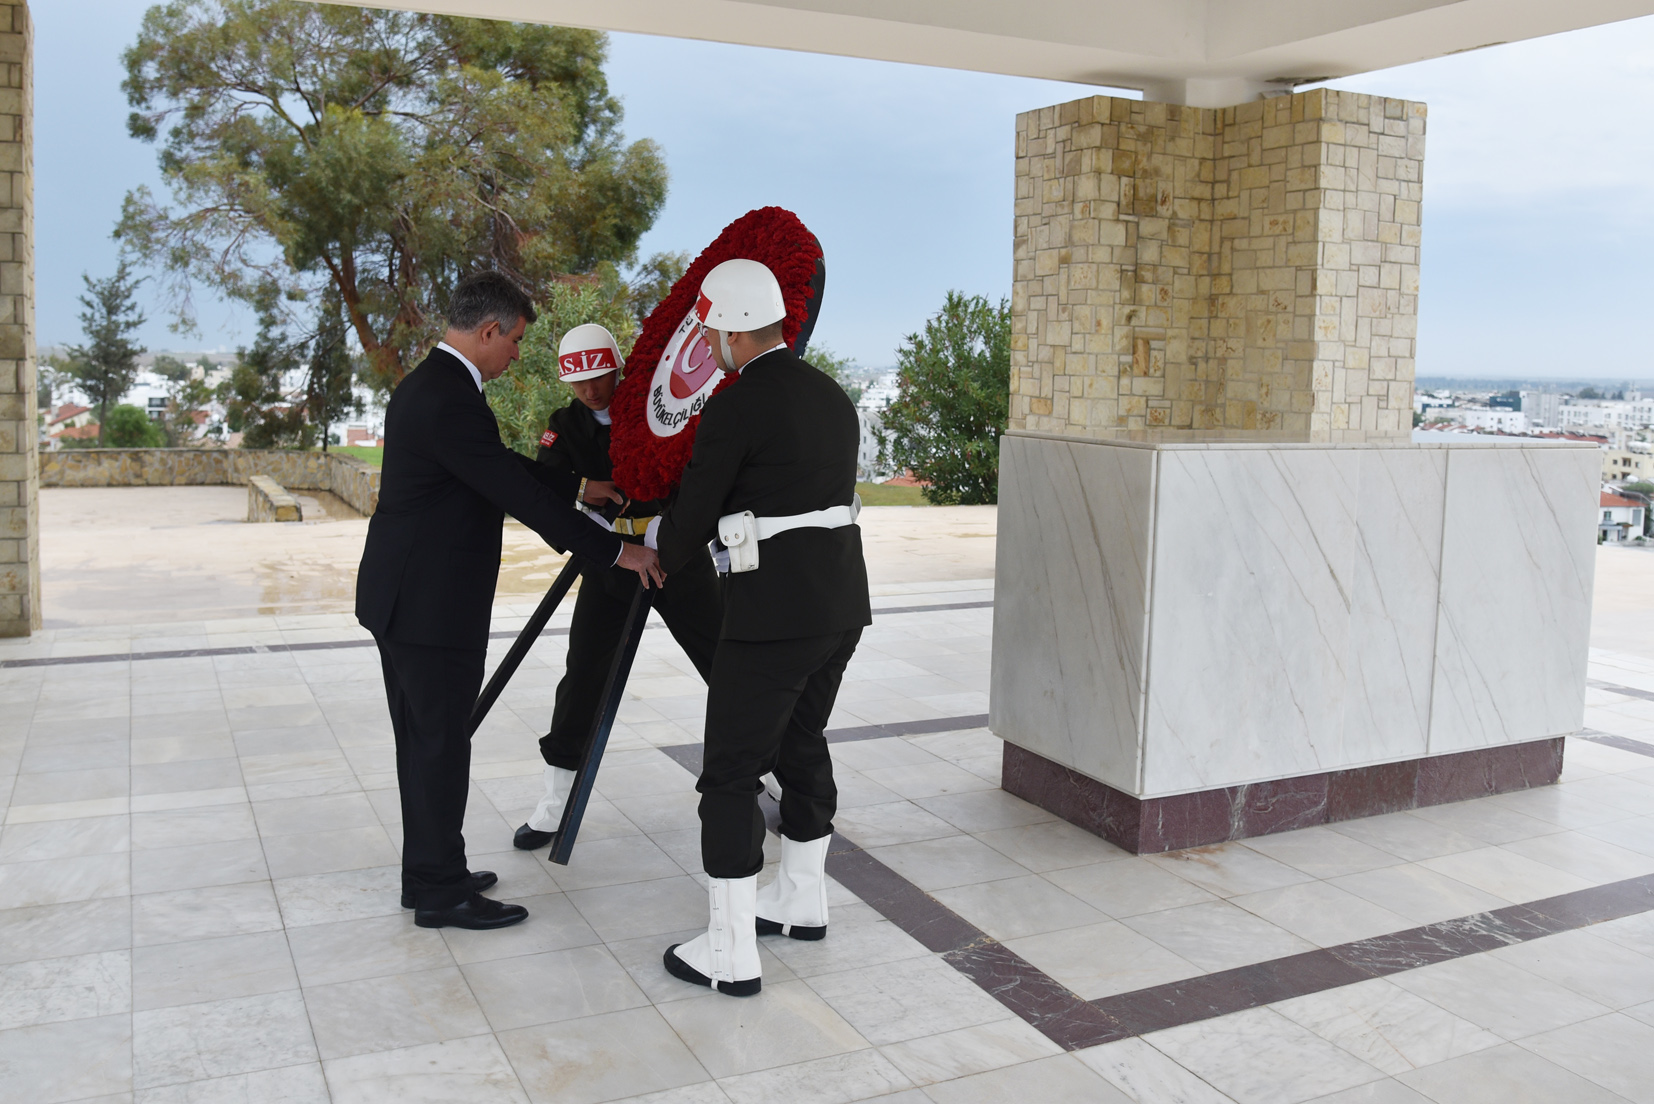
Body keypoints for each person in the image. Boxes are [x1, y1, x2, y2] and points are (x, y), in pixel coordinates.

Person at [355, 271, 664, 931]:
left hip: (406, 597)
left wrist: (576, 484)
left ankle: (430, 872)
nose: (518, 355)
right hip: (429, 606)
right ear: (489, 330)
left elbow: (493, 463)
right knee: (439, 746)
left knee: (426, 744)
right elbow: (514, 492)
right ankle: (440, 892)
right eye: (516, 341)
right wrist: (616, 552)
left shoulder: (432, 385)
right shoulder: (449, 396)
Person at [645, 259, 870, 995]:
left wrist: (651, 547)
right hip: (841, 607)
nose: (708, 344)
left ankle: (730, 951)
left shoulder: (736, 405)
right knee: (801, 740)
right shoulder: (832, 394)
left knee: (731, 772)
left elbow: (693, 518)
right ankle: (802, 901)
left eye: (711, 331)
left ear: (734, 332)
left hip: (773, 617)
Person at [514, 323, 724, 850]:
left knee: (728, 663)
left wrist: (669, 537)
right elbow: (547, 495)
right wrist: (588, 504)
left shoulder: (658, 410)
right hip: (610, 564)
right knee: (584, 675)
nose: (590, 390)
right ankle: (555, 800)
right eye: (579, 382)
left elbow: (700, 476)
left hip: (675, 557)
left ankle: (773, 772)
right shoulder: (563, 427)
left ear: (618, 368)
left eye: (600, 377)